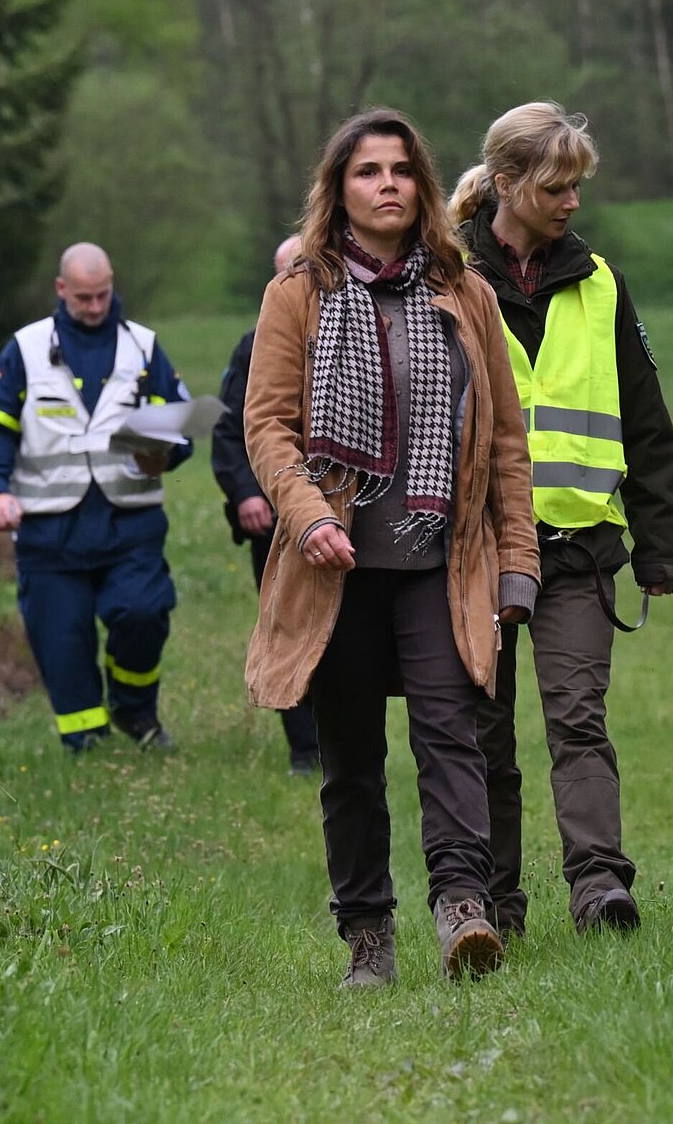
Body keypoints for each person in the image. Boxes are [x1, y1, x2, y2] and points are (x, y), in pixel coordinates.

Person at [242, 107, 539, 989]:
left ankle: (462, 908)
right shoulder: (297, 294)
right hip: (333, 568)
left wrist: (517, 559)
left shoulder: (467, 293)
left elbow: (507, 447)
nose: (386, 185)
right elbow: (267, 426)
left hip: (442, 562)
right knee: (352, 761)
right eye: (367, 171)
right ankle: (368, 937)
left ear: (424, 187)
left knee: (453, 736)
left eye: (401, 170)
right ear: (337, 190)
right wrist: (309, 516)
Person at [449, 102, 673, 938]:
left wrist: (661, 548)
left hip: (580, 550)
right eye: (557, 185)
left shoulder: (600, 282)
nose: (574, 201)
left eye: (578, 184)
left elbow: (648, 422)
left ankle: (599, 888)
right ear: (506, 184)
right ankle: (494, 901)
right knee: (483, 732)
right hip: (471, 550)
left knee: (578, 719)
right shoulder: (448, 276)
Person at [0, 243, 192, 753]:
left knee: (142, 614)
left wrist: (167, 453)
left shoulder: (142, 346)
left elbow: (180, 420)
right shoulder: (26, 349)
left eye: (103, 295)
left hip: (129, 522)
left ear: (113, 283)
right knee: (62, 640)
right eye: (84, 299)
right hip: (50, 529)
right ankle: (85, 743)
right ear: (60, 290)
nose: (95, 307)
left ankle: (134, 711)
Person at [213, 233, 320, 775]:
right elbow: (230, 429)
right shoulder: (254, 344)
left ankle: (346, 742)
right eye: (289, 272)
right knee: (288, 627)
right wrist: (246, 495)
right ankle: (304, 749)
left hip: (347, 514)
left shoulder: (354, 331)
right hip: (276, 518)